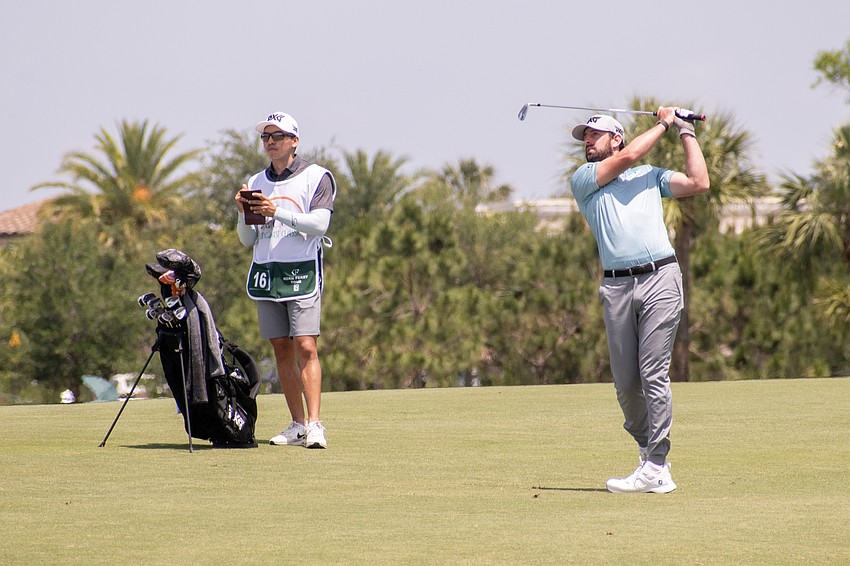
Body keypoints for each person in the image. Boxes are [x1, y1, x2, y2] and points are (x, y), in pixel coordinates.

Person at [569, 107, 709, 493]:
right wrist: (664, 122)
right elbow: (630, 156)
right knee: (626, 385)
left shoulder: (650, 177)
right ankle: (652, 460)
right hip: (616, 287)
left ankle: (656, 462)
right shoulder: (584, 180)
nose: (586, 141)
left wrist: (684, 132)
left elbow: (699, 182)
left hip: (660, 277)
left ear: (615, 137)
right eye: (584, 136)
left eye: (594, 134)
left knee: (652, 372)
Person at [235, 111, 336, 449]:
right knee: (281, 348)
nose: (270, 142)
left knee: (306, 345)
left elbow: (320, 225)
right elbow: (247, 240)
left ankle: (315, 425)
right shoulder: (255, 181)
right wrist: (242, 213)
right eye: (266, 137)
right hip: (267, 273)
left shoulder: (317, 177)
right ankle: (297, 424)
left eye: (277, 136)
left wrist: (274, 211)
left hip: (302, 271)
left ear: (294, 140)